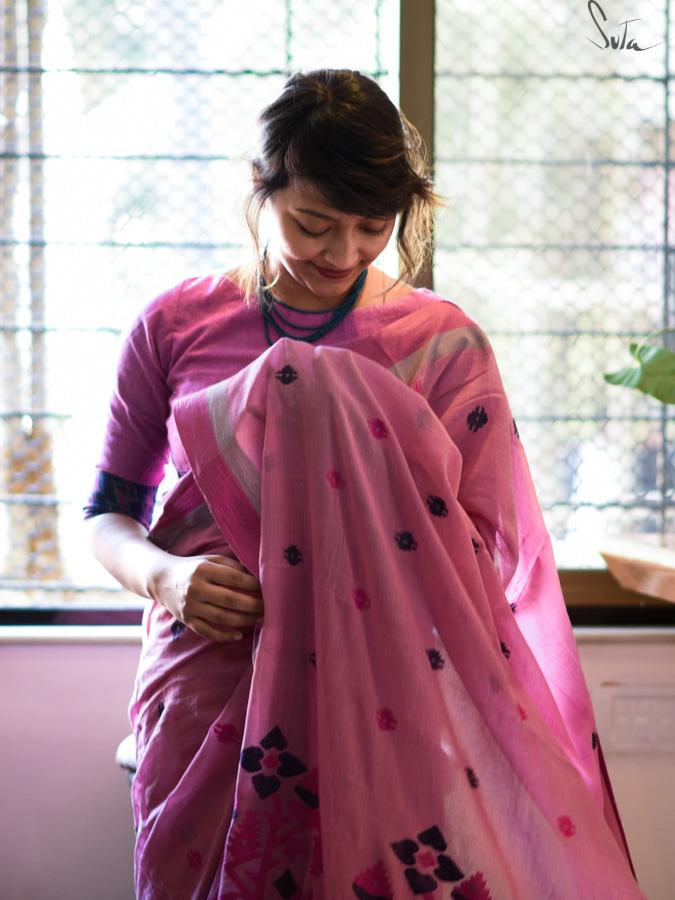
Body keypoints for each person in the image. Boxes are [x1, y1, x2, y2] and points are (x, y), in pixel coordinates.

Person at [84, 69, 645, 899]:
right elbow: (109, 513)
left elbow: (486, 555)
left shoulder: (442, 345)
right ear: (259, 184)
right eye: (312, 223)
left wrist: (350, 586)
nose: (341, 254)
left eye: (371, 227)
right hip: (208, 668)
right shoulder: (175, 325)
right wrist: (169, 578)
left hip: (391, 691)